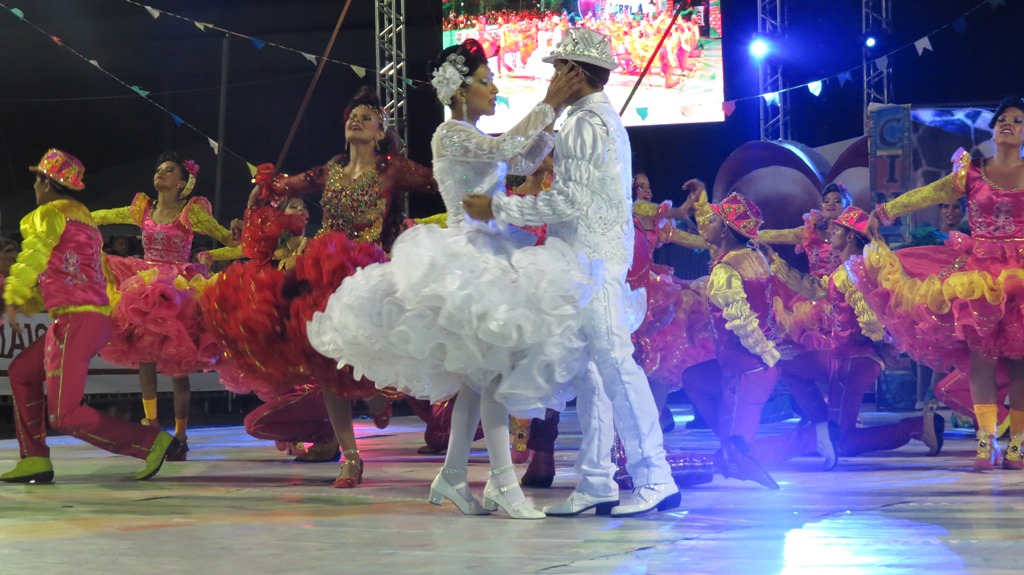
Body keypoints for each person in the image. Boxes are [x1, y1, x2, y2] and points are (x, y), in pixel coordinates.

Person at [309, 38, 592, 518]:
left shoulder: (474, 137)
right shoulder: (450, 134)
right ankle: (503, 483)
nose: (495, 88)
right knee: (494, 374)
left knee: (480, 379)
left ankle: (454, 476)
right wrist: (549, 103)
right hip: (469, 260)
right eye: (486, 81)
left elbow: (520, 161)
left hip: (499, 253)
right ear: (460, 90)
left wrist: (554, 116)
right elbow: (506, 147)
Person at [463, 28, 680, 517]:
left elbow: (569, 200)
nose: (552, 76)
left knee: (615, 366)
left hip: (591, 259)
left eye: (557, 68)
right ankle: (597, 481)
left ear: (574, 73)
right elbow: (528, 162)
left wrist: (498, 209)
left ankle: (654, 477)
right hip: (591, 256)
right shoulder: (587, 118)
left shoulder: (586, 124)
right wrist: (549, 110)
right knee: (593, 375)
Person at [209, 87, 438, 487]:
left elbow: (438, 184)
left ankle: (377, 399)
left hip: (371, 278)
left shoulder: (392, 168)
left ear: (381, 132)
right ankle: (351, 457)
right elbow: (285, 187)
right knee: (326, 365)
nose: (356, 120)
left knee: (371, 371)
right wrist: (265, 185)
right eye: (352, 115)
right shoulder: (329, 170)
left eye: (366, 117)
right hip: (325, 279)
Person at [862, 95, 1024, 470]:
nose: (1008, 124)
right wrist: (885, 210)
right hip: (979, 277)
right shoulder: (972, 172)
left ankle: (1017, 445)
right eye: (1003, 118)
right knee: (981, 359)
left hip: (1020, 276)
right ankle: (986, 443)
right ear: (994, 128)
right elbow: (928, 193)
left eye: (1017, 120)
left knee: (1020, 363)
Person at [2, 149, 178, 483]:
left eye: (36, 180)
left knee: (64, 414)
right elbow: (66, 278)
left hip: (75, 321)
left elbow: (33, 254)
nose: (35, 188)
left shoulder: (48, 214)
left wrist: (13, 293)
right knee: (22, 371)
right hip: (92, 319)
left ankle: (151, 441)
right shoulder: (84, 222)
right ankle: (34, 458)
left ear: (45, 182)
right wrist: (27, 301)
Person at [91, 152, 236, 460]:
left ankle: (181, 436)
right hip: (142, 286)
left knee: (178, 366)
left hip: (178, 289)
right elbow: (104, 215)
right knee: (144, 357)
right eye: (158, 170)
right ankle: (153, 429)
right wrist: (77, 215)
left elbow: (223, 235)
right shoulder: (143, 208)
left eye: (169, 170)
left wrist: (231, 241)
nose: (161, 174)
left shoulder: (190, 212)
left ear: (182, 181)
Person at [679, 192, 781, 489]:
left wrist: (766, 355)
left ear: (724, 230)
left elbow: (743, 319)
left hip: (748, 369)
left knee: (740, 453)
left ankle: (816, 437)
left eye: (712, 220)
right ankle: (729, 450)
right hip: (741, 366)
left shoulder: (727, 268)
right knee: (695, 378)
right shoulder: (751, 256)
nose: (705, 225)